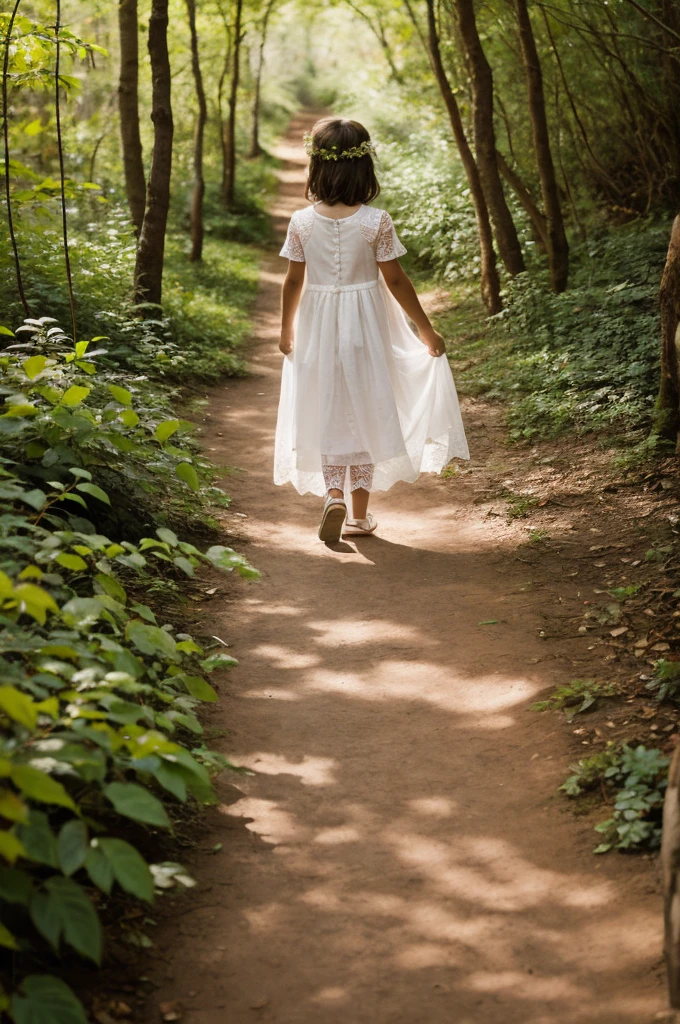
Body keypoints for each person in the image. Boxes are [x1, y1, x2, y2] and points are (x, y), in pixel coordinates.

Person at [274, 116, 469, 544]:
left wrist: (286, 331)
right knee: (363, 409)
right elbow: (396, 280)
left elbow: (292, 282)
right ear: (364, 168)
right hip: (366, 328)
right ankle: (359, 517)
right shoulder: (375, 221)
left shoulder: (301, 222)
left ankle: (332, 494)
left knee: (327, 408)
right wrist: (427, 331)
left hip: (318, 326)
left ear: (316, 167)